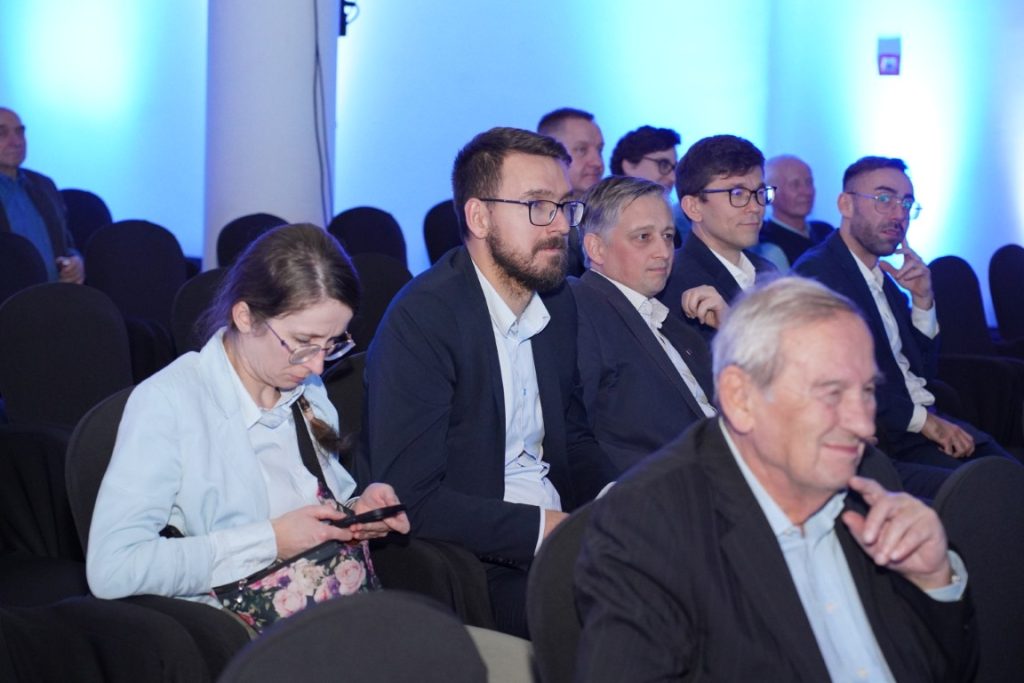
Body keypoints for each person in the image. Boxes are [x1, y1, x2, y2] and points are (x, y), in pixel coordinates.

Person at [574, 276, 977, 682]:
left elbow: (942, 669)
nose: (862, 424)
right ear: (741, 398)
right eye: (831, 393)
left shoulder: (869, 477)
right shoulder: (648, 527)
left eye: (867, 391)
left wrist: (935, 582)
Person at [361, 127, 615, 637]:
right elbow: (410, 496)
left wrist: (615, 497)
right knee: (626, 618)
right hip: (480, 561)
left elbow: (572, 437)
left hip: (559, 532)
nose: (560, 225)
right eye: (538, 206)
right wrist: (548, 529)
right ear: (479, 217)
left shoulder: (557, 301)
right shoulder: (424, 318)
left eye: (565, 206)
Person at [87, 224, 409, 619]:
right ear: (244, 316)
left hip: (336, 613)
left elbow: (318, 506)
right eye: (302, 343)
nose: (316, 365)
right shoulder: (170, 404)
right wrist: (270, 541)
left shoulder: (304, 388)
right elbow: (113, 568)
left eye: (332, 344)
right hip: (242, 631)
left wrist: (358, 510)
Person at [793, 156, 1015, 497]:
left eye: (907, 203)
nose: (899, 214)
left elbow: (923, 372)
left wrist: (923, 301)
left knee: (1011, 475)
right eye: (884, 199)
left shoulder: (884, 278)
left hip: (922, 422)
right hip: (883, 440)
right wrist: (927, 423)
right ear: (846, 205)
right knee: (995, 494)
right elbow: (840, 383)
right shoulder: (819, 275)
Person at [573, 175, 715, 474]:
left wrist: (729, 326)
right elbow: (575, 434)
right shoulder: (581, 308)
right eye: (643, 237)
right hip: (660, 486)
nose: (664, 251)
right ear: (596, 248)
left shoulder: (675, 322)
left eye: (668, 236)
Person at [657, 134, 778, 343]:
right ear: (693, 207)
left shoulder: (766, 270)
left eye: (759, 192)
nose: (755, 207)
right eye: (737, 193)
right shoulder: (672, 283)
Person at [0, 107, 85, 284]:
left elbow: (65, 243)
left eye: (20, 132)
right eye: (2, 134)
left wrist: (75, 261)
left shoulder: (43, 185)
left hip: (52, 295)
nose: (16, 142)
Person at [538, 107, 605, 276]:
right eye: (582, 150)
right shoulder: (534, 220)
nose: (597, 162)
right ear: (551, 152)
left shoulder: (606, 215)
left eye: (599, 150)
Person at [609, 124, 691, 244]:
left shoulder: (672, 225)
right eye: (663, 164)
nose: (673, 177)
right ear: (629, 166)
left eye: (675, 167)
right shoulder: (603, 222)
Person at [758, 154, 835, 268]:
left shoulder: (825, 231)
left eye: (809, 182)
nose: (807, 192)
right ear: (770, 194)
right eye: (795, 185)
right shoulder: (767, 244)